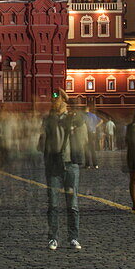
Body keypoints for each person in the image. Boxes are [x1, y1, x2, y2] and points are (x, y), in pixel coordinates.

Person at [39, 93, 87, 250]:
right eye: (55, 100)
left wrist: (69, 99)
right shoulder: (48, 120)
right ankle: (53, 238)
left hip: (71, 164)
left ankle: (73, 237)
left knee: (72, 205)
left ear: (65, 103)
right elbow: (40, 144)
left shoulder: (73, 118)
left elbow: (81, 116)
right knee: (53, 204)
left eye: (59, 100)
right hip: (53, 166)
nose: (56, 102)